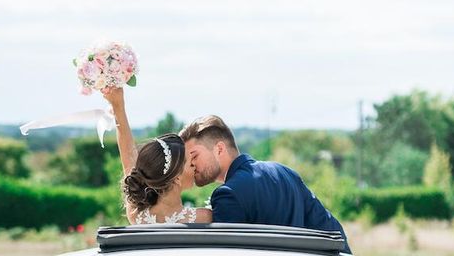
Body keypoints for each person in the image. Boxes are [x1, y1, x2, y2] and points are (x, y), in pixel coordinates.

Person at [180, 115, 352, 253]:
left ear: (219, 149)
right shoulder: (285, 172)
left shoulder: (228, 194)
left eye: (194, 156)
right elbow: (332, 230)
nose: (192, 165)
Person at [102, 86, 212, 224]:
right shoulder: (204, 218)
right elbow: (129, 158)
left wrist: (118, 105)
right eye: (191, 163)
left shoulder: (137, 216)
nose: (195, 166)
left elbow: (128, 159)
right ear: (177, 178)